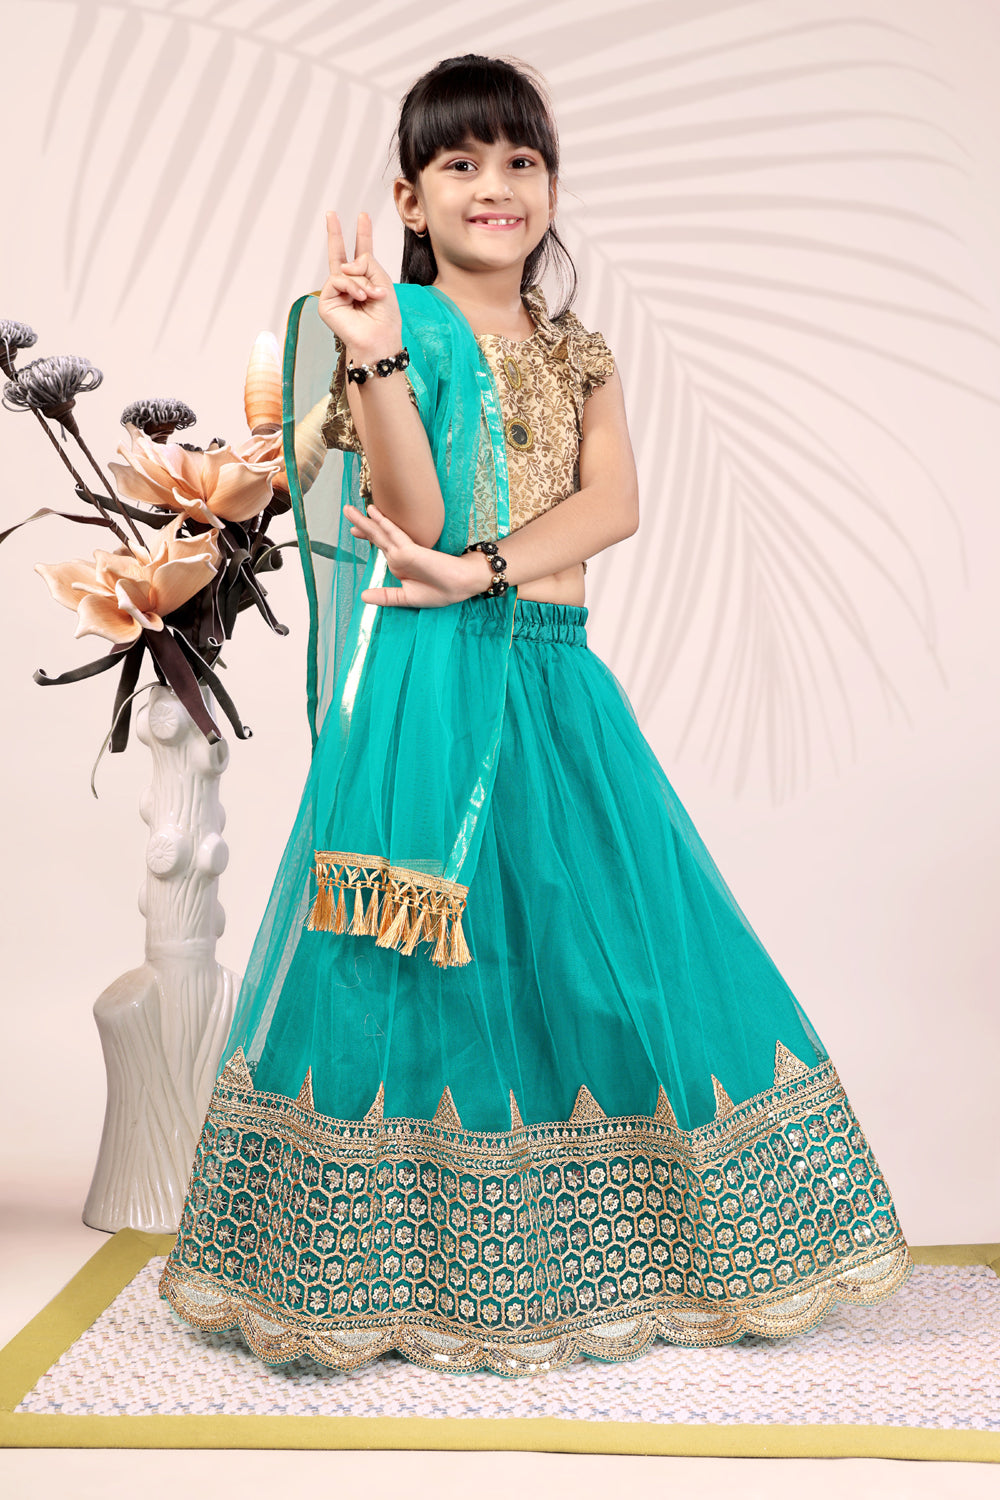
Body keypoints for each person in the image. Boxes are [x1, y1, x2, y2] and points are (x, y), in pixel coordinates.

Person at [160, 53, 912, 1376]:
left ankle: (603, 1244)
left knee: (597, 947)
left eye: (520, 160)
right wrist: (375, 356)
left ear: (551, 186)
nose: (495, 185)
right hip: (434, 688)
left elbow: (614, 505)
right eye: (459, 163)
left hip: (554, 674)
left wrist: (488, 570)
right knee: (426, 970)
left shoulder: (580, 352)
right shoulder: (395, 330)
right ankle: (404, 1268)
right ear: (410, 196)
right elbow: (419, 512)